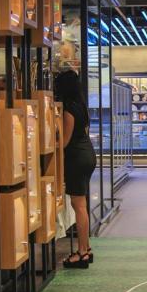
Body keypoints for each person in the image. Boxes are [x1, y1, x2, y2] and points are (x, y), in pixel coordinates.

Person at [54, 70, 96, 269]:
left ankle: (82, 253)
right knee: (81, 204)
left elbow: (65, 141)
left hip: (77, 158)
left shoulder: (69, 110)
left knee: (78, 205)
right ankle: (86, 248)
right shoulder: (81, 106)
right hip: (87, 154)